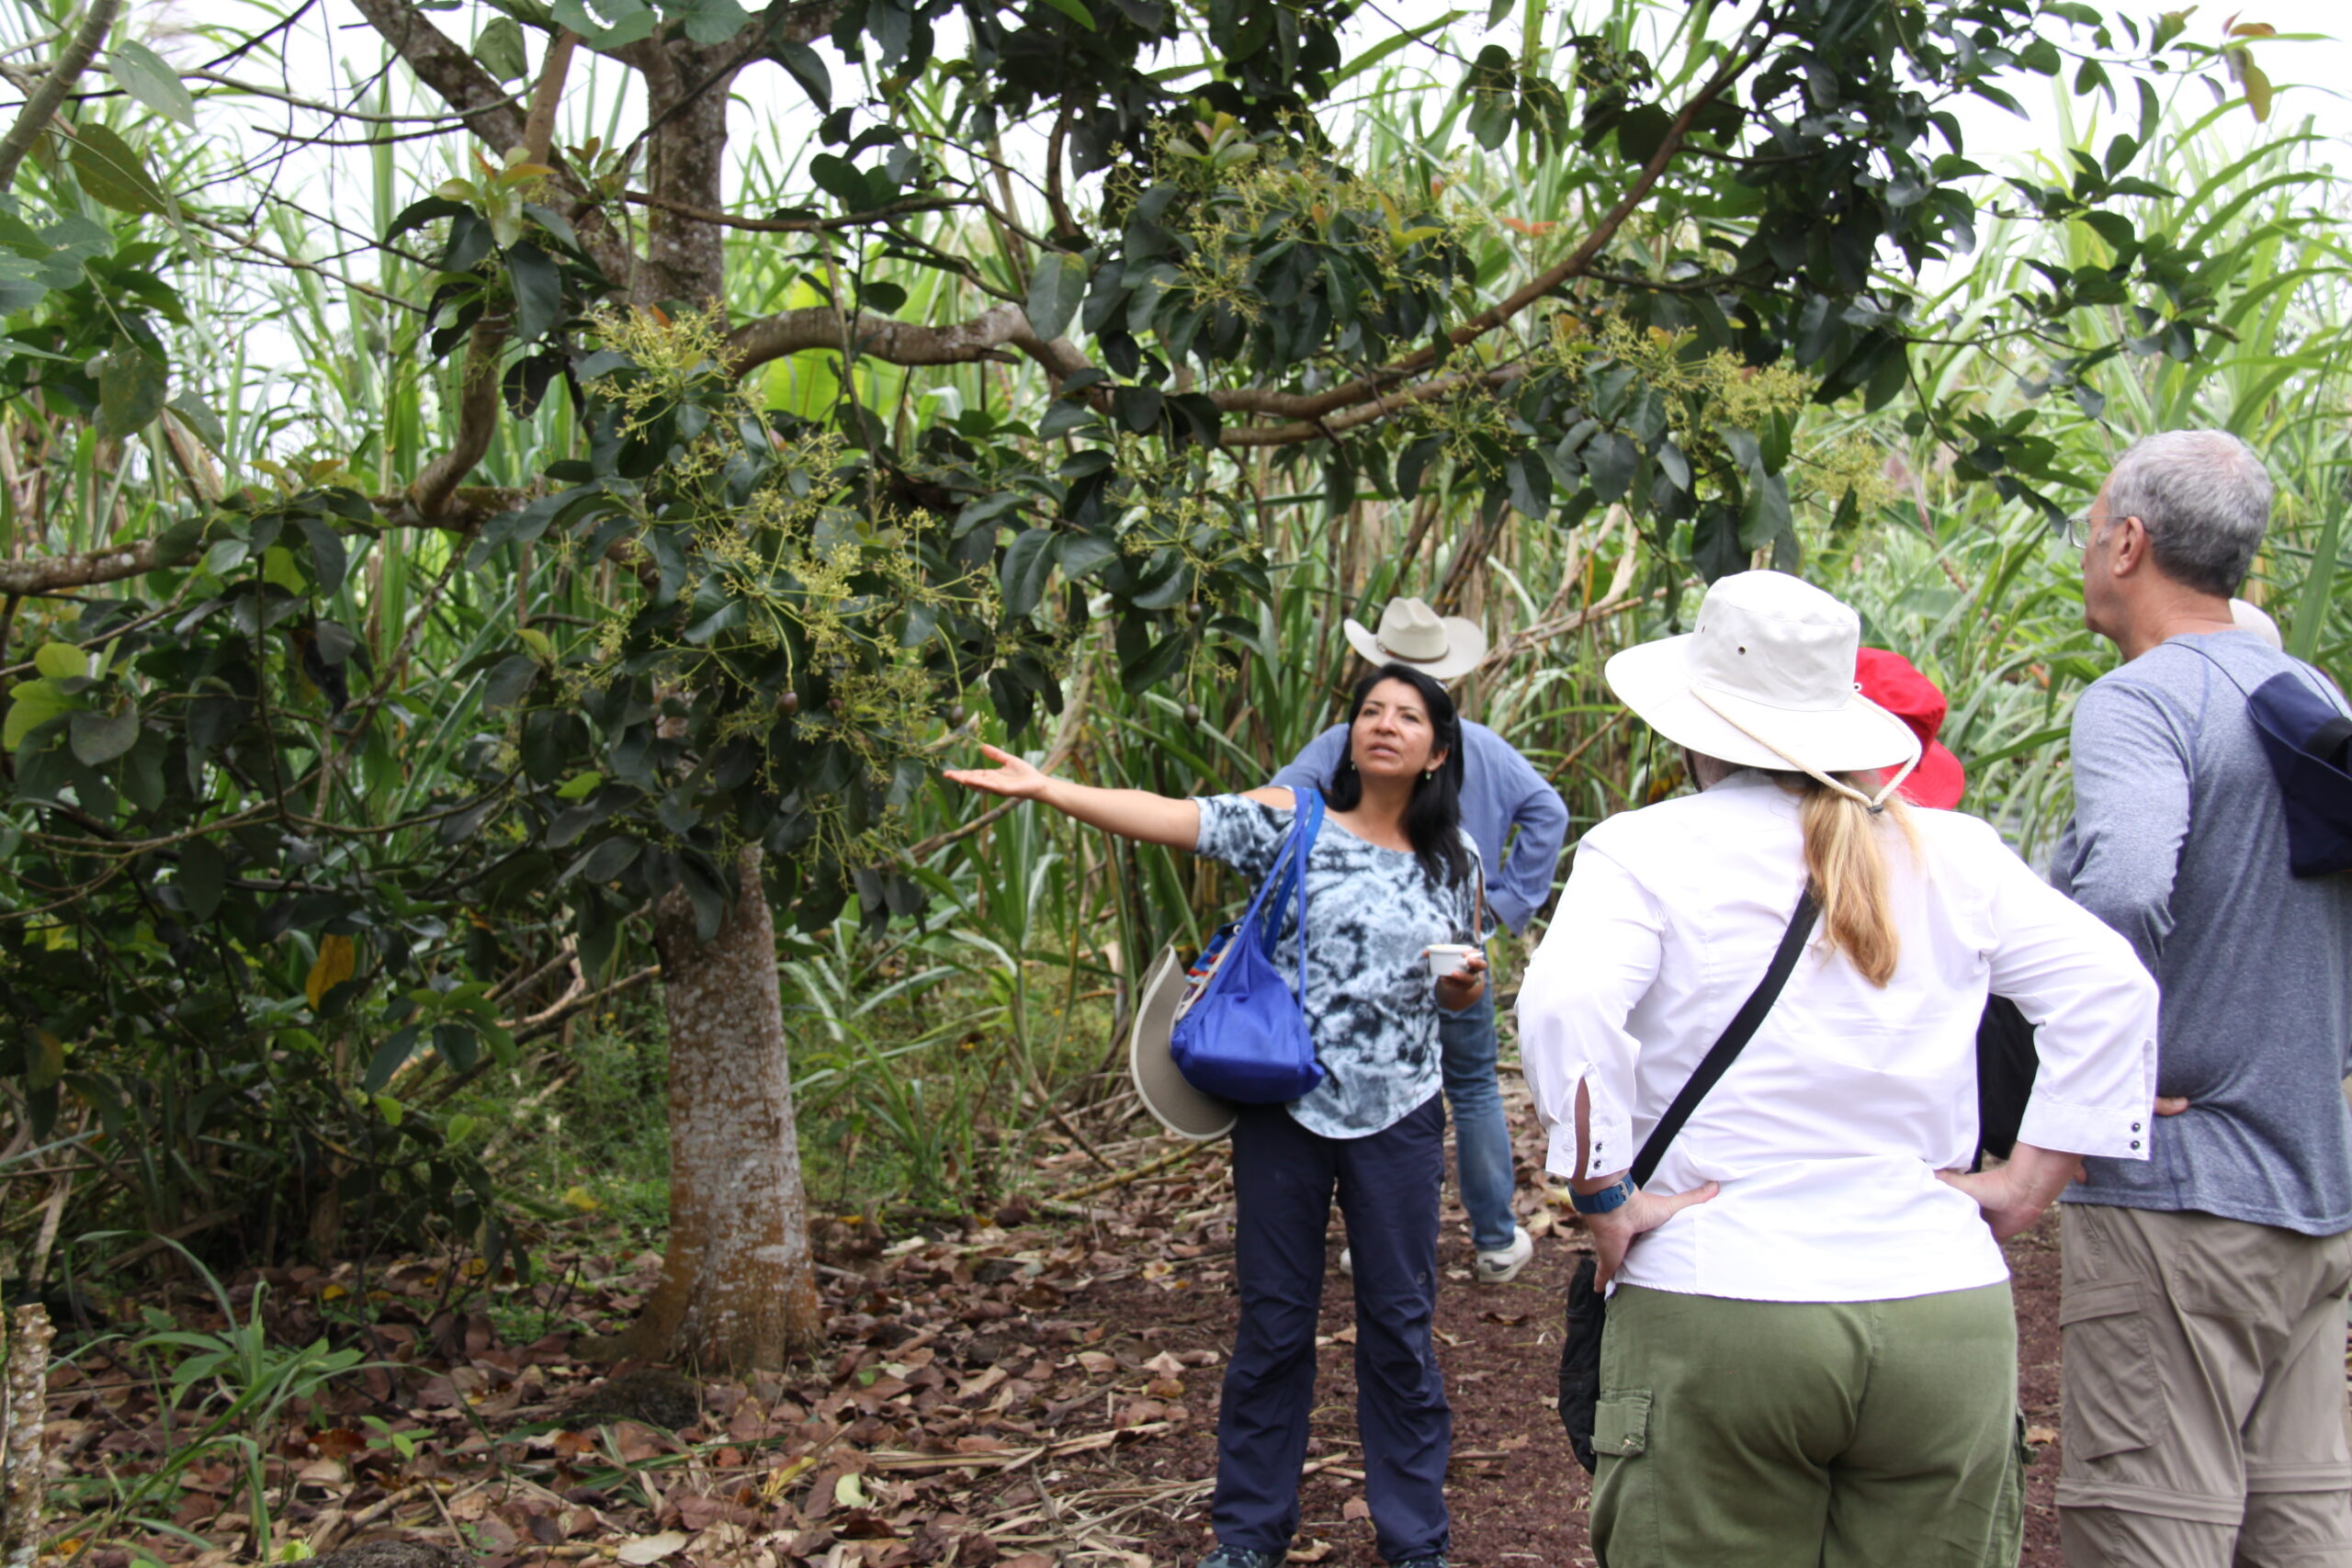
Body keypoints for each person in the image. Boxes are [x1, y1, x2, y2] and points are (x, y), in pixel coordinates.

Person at [1517, 569, 2160, 1568]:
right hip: (1940, 1310)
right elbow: (2111, 990)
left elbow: (1565, 1001)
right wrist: (2031, 1179)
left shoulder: (1642, 850)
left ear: (1694, 725)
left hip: (1720, 1297)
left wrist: (1606, 1193)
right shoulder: (1953, 850)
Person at [946, 663, 1487, 1568]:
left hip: (1397, 1116)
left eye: (1406, 717)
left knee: (1398, 1327)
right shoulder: (1294, 821)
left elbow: (1458, 994)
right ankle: (1246, 1536)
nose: (1382, 726)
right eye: (1368, 712)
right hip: (1285, 1106)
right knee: (1274, 1326)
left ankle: (1415, 1540)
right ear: (1351, 735)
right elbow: (1171, 813)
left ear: (1437, 752)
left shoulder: (1455, 861)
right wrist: (1049, 788)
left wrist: (1465, 990)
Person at [2052, 429, 2352, 1567]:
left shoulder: (2141, 702)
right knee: (2300, 1532)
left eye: (2090, 535)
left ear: (2128, 543)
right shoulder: (2307, 691)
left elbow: (2125, 886)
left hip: (2182, 1204)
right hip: (2312, 1194)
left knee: (2150, 1532)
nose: (2088, 556)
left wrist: (2104, 1073)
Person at [1272, 597, 1569, 1283]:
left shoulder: (1347, 742)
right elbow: (1546, 809)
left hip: (1373, 957)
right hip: (1458, 945)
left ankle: (1378, 1237)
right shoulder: (1481, 744)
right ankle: (1495, 1239)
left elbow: (1282, 800)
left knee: (1374, 1082)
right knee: (1470, 1086)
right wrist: (1504, 905)